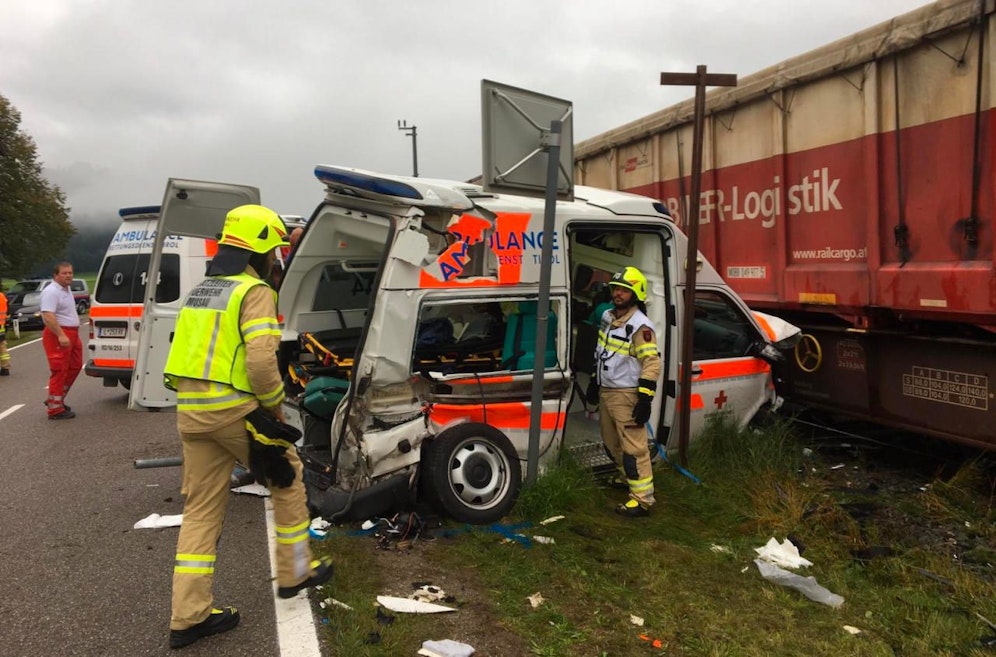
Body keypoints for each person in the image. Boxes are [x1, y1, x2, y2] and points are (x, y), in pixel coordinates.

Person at [163, 204, 332, 650]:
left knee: (200, 510)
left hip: (192, 413)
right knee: (288, 479)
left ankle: (189, 616)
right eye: (274, 249)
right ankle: (296, 572)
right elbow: (260, 359)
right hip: (235, 411)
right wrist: (275, 406)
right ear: (259, 248)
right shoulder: (253, 291)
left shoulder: (203, 289)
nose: (277, 258)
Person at [586, 267, 661, 518]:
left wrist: (645, 398)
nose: (618, 294)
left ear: (635, 293)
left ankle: (642, 499)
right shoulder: (608, 316)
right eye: (616, 289)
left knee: (634, 449)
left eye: (624, 290)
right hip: (608, 390)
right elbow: (602, 350)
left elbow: (652, 363)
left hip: (626, 394)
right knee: (610, 443)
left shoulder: (641, 326)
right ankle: (627, 477)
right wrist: (594, 381)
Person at [40, 262, 82, 418]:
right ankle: (55, 409)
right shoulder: (51, 291)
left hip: (72, 333)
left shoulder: (66, 289)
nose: (69, 276)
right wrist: (61, 335)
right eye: (64, 273)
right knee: (59, 369)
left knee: (76, 366)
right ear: (55, 275)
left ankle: (55, 397)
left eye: (70, 273)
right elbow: (48, 316)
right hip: (59, 334)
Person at [0, 283, 10, 375]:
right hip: (1, 326)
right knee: (2, 347)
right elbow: (8, 310)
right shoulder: (2, 296)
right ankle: (5, 368)